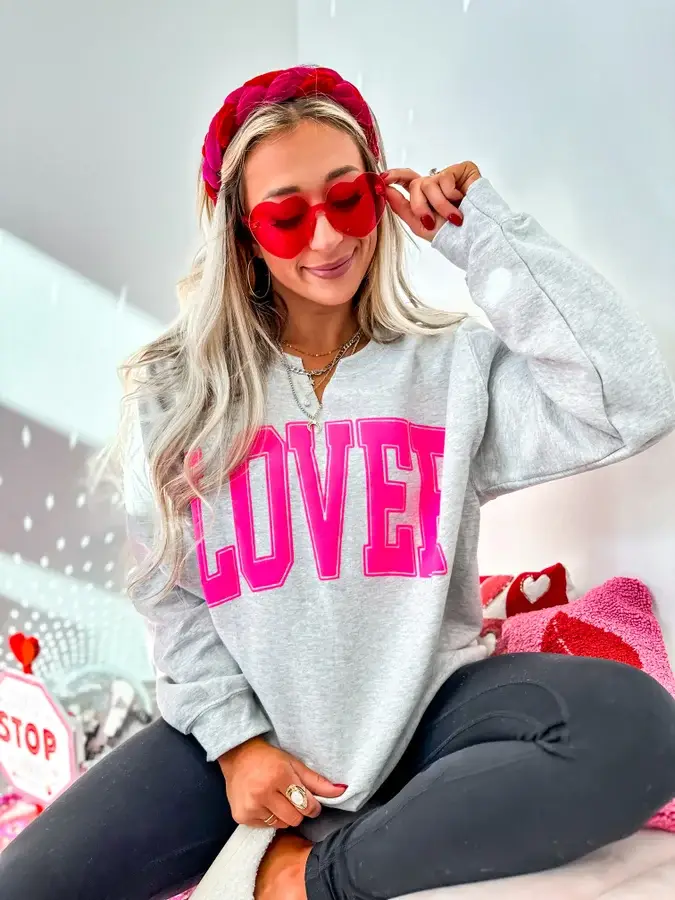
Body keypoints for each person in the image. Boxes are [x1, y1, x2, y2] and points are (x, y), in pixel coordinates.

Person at [2, 64, 675, 900]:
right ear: (243, 234)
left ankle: (311, 877)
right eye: (286, 217)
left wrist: (481, 235)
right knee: (25, 884)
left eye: (347, 200)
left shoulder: (452, 372)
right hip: (253, 734)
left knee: (635, 725)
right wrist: (235, 744)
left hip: (431, 712)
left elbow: (632, 400)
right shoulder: (176, 394)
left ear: (379, 197)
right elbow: (172, 599)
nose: (325, 239)